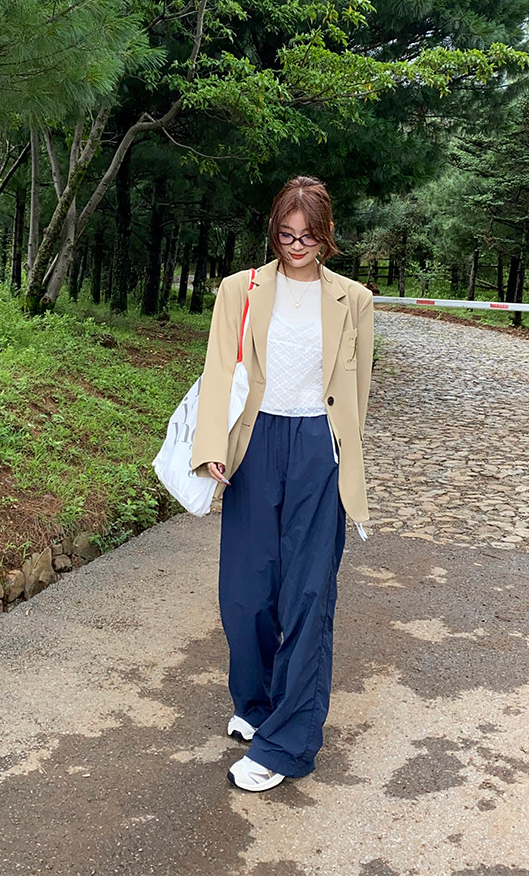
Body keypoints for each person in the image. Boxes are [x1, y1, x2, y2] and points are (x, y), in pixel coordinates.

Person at [191, 176, 373, 792]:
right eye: (287, 234)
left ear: (327, 235)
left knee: (307, 595)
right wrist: (212, 446)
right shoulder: (239, 289)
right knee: (246, 593)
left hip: (319, 449)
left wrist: (342, 455)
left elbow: (357, 391)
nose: (297, 246)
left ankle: (288, 743)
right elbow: (220, 369)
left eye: (309, 235)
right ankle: (258, 701)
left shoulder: (354, 300)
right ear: (274, 231)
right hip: (257, 443)